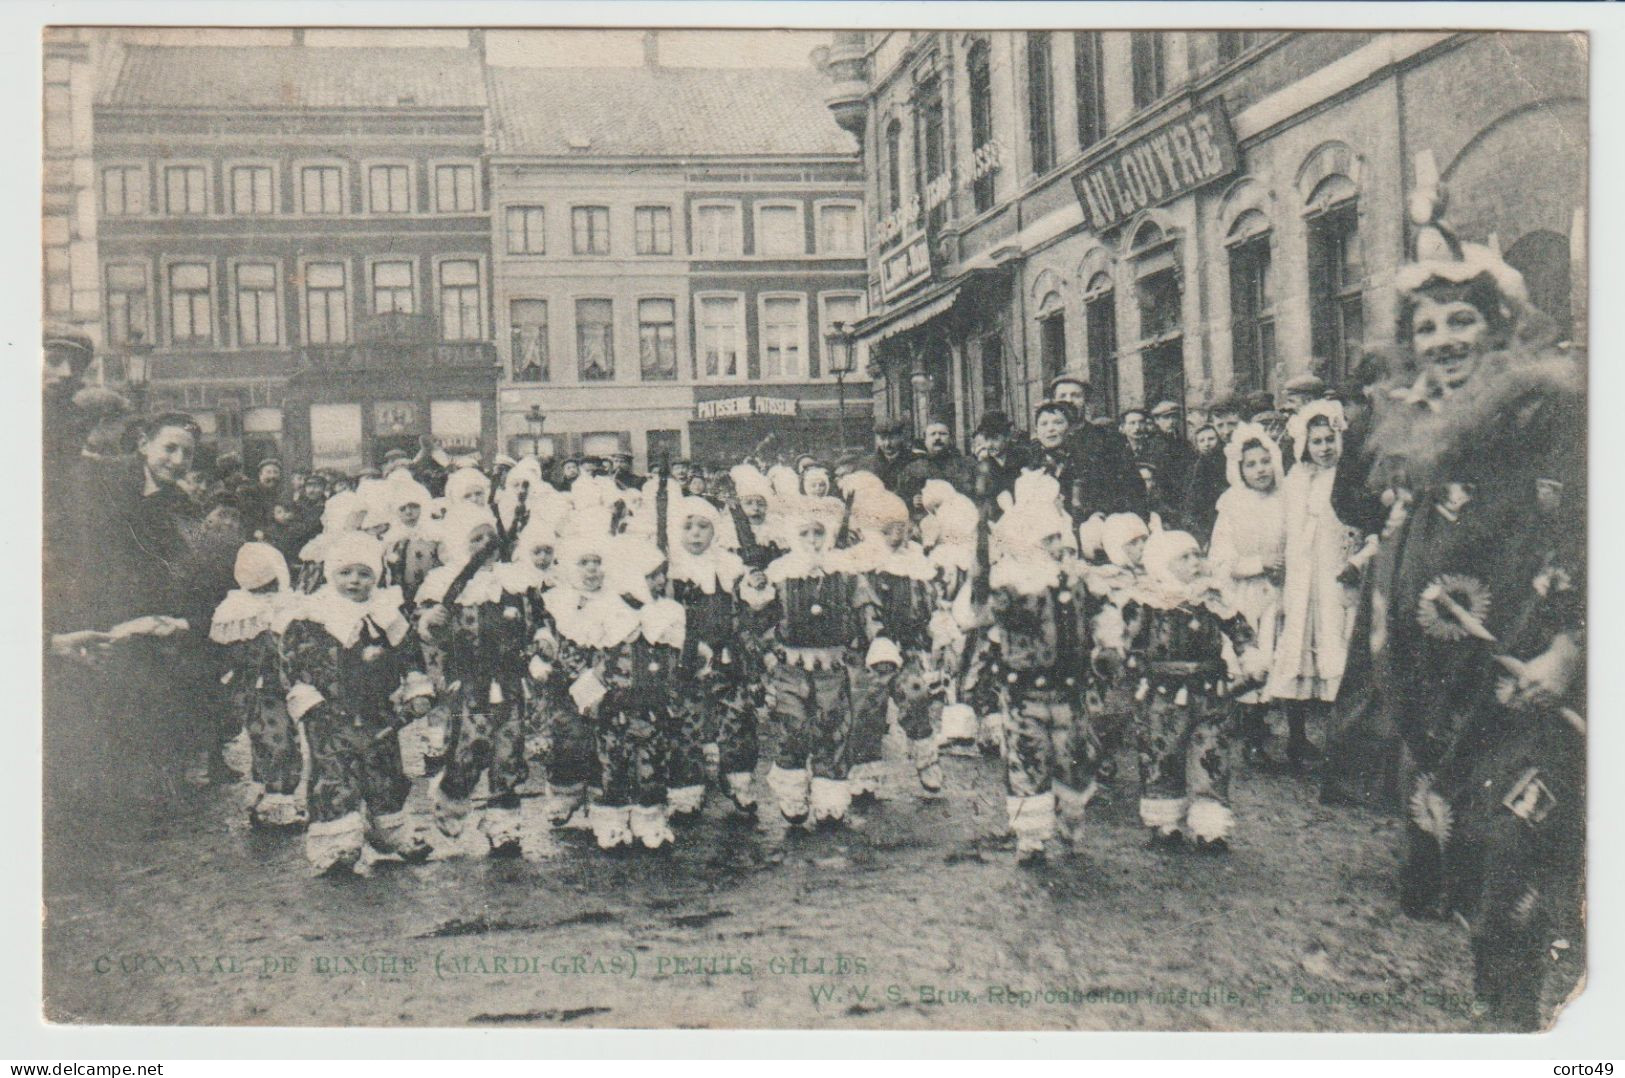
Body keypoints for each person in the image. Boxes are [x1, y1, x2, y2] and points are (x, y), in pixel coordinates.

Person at [1352, 190, 1584, 1027]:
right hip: (1446, 705)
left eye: (1461, 320)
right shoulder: (1413, 429)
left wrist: (1573, 648)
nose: (1444, 340)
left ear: (1497, 327)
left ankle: (1515, 1028)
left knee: (1517, 867)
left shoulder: (1556, 415)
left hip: (1535, 691)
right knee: (1481, 859)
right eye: (1426, 327)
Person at [1098, 529, 1266, 852]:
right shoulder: (1149, 601)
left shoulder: (1212, 598)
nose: (1194, 563)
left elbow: (1240, 629)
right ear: (1162, 563)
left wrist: (1250, 656)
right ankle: (1165, 823)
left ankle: (1211, 827)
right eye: (1183, 558)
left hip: (1209, 694)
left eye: (1196, 555)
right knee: (1162, 755)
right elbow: (1124, 637)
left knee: (1211, 755)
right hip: (1163, 696)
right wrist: (1114, 653)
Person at [279, 532, 436, 876]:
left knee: (385, 771)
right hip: (329, 715)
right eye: (346, 573)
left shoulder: (384, 615)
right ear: (331, 574)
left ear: (376, 578)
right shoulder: (311, 618)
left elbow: (409, 653)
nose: (354, 581)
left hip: (377, 711)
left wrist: (416, 686)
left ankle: (389, 829)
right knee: (336, 774)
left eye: (364, 574)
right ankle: (338, 839)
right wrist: (307, 697)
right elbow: (291, 662)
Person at [980, 472, 1103, 864]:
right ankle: (1031, 835)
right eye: (1048, 540)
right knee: (1028, 759)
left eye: (1060, 540)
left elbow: (1096, 617)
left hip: (1069, 689)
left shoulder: (1071, 582)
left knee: (1072, 755)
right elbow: (995, 613)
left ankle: (1071, 817)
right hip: (1026, 691)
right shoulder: (1013, 585)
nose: (1057, 548)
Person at [416, 505, 534, 856]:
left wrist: (540, 640)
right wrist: (431, 620)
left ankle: (503, 823)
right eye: (475, 538)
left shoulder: (513, 581)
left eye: (489, 537)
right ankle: (453, 794)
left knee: (509, 749)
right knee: (470, 745)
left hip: (509, 679)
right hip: (468, 681)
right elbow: (425, 632)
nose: (485, 544)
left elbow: (535, 617)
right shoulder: (446, 584)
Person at [761, 495, 881, 829]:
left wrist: (871, 639)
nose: (812, 541)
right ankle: (793, 793)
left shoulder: (843, 572)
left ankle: (830, 796)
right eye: (805, 534)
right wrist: (768, 652)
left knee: (833, 726)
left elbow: (864, 610)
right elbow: (761, 618)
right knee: (793, 727)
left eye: (818, 533)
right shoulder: (780, 573)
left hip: (832, 665)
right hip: (791, 667)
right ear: (793, 537)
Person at [1265, 400, 1370, 772]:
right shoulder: (1295, 481)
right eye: (1316, 442)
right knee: (1296, 651)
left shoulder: (1347, 480)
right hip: (1300, 577)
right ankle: (1296, 737)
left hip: (1334, 576)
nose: (1323, 448)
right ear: (1304, 445)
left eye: (1329, 440)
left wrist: (1356, 561)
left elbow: (1365, 527)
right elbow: (1281, 527)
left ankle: (1342, 746)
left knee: (1336, 653)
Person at [841, 488, 946, 804]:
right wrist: (870, 633)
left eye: (901, 528)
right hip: (869, 649)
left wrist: (931, 625)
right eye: (888, 529)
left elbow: (926, 600)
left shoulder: (913, 560)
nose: (896, 535)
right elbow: (859, 604)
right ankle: (865, 772)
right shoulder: (862, 563)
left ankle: (926, 759)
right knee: (867, 708)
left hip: (906, 643)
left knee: (915, 696)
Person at [666, 496, 768, 818]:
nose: (695, 534)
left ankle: (737, 779)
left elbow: (748, 605)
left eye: (703, 527)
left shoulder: (728, 566)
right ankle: (686, 788)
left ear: (715, 531)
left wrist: (755, 586)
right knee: (685, 721)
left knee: (736, 718)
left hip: (725, 653)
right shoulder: (671, 569)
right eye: (688, 526)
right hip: (684, 655)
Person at [1205, 423, 1287, 762]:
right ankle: (1252, 734)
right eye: (1251, 465)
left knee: (1279, 657)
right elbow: (1220, 558)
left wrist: (1285, 565)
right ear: (1239, 469)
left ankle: (1276, 729)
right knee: (1252, 659)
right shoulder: (1232, 504)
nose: (1260, 470)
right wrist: (1258, 563)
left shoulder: (1286, 499)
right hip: (1246, 591)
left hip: (1280, 591)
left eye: (1265, 462)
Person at [209, 542, 303, 829]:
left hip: (253, 688)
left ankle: (264, 793)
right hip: (268, 690)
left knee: (265, 741)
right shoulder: (264, 612)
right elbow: (272, 653)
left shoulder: (238, 609)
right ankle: (276, 803)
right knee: (279, 743)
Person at [899, 421, 976, 505]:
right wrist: (911, 501)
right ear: (925, 440)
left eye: (943, 434)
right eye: (932, 434)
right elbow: (899, 497)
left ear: (951, 439)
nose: (937, 438)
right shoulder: (913, 468)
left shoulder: (966, 464)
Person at [970, 410, 1023, 507]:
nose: (989, 445)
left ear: (1007, 437)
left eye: (995, 438)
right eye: (986, 439)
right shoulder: (983, 462)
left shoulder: (1022, 457)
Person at [869, 416, 923, 494]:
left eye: (892, 438)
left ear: (901, 437)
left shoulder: (915, 460)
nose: (887, 443)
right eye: (883, 438)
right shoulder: (870, 464)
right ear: (877, 439)